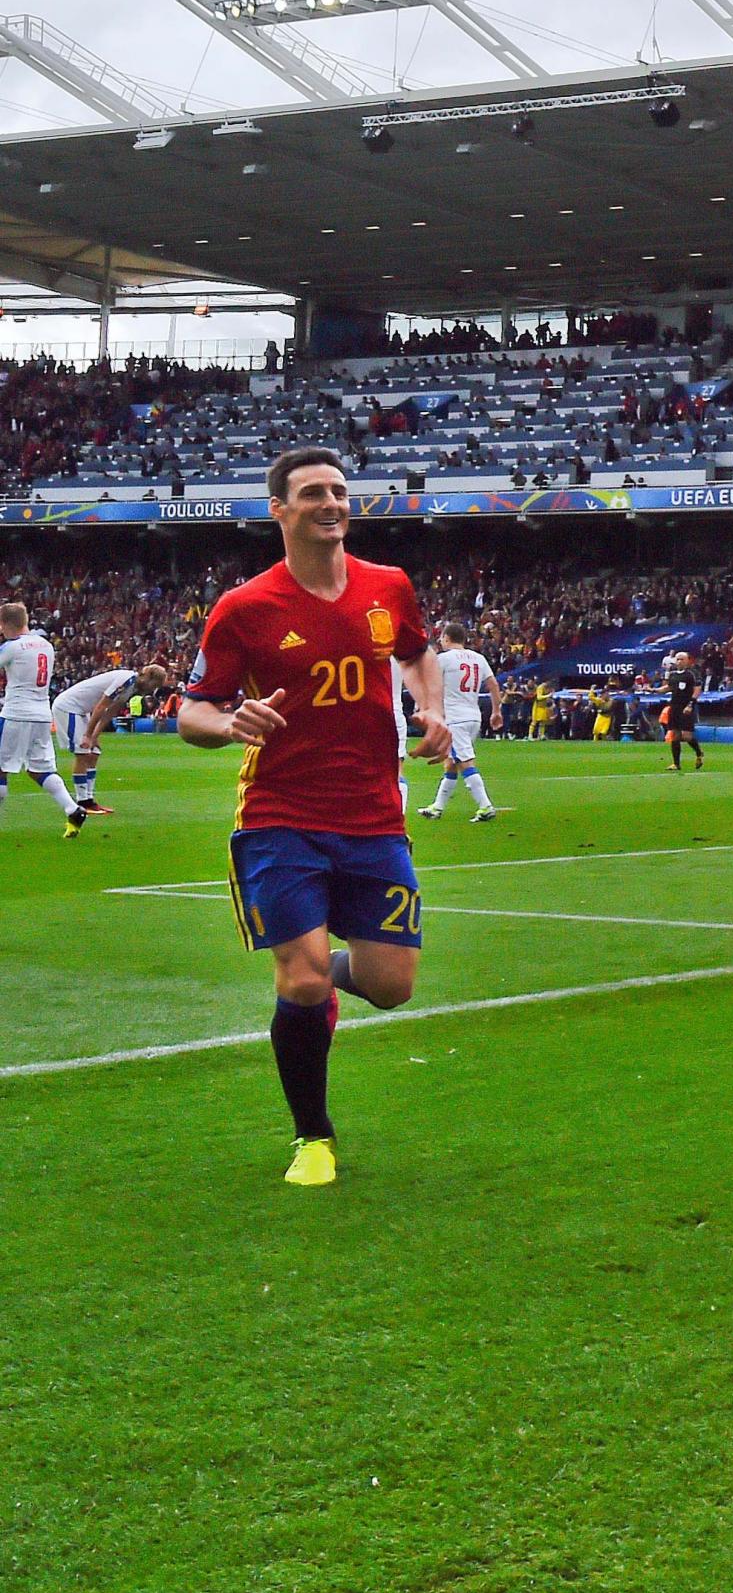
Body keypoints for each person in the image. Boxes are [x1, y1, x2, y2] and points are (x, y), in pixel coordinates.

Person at [176, 448, 451, 1188]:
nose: (331, 502)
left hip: (374, 816)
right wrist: (230, 720)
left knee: (391, 984)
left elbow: (420, 656)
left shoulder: (389, 586)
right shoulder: (245, 607)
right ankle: (313, 1136)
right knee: (298, 984)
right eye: (312, 493)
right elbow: (191, 711)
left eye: (338, 490)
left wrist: (433, 706)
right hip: (280, 814)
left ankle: (319, 969)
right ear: (280, 510)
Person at [0, 602, 86, 835]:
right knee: (40, 769)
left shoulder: (11, 647)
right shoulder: (46, 645)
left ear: (4, 624)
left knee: (0, 768)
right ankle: (72, 809)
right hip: (41, 715)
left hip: (16, 714)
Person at [49, 660, 171, 817]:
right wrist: (87, 735)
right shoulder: (125, 680)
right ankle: (82, 802)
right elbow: (101, 706)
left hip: (82, 710)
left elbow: (112, 710)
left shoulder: (132, 687)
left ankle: (89, 799)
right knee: (83, 752)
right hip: (69, 707)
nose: (152, 690)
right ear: (149, 679)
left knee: (94, 752)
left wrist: (95, 735)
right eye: (153, 686)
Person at [418, 624, 501, 822]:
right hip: (473, 716)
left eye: (442, 638)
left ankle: (485, 806)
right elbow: (493, 685)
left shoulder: (443, 659)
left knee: (464, 762)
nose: (440, 641)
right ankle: (437, 808)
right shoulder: (478, 658)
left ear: (447, 638)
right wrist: (496, 711)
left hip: (455, 719)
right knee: (451, 763)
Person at [662, 653, 705, 771]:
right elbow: (668, 688)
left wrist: (691, 704)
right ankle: (676, 763)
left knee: (686, 736)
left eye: (682, 659)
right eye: (678, 659)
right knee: (674, 735)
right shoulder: (673, 675)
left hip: (686, 707)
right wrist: (653, 690)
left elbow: (697, 690)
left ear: (687, 661)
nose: (679, 661)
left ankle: (699, 752)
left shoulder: (692, 674)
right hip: (674, 707)